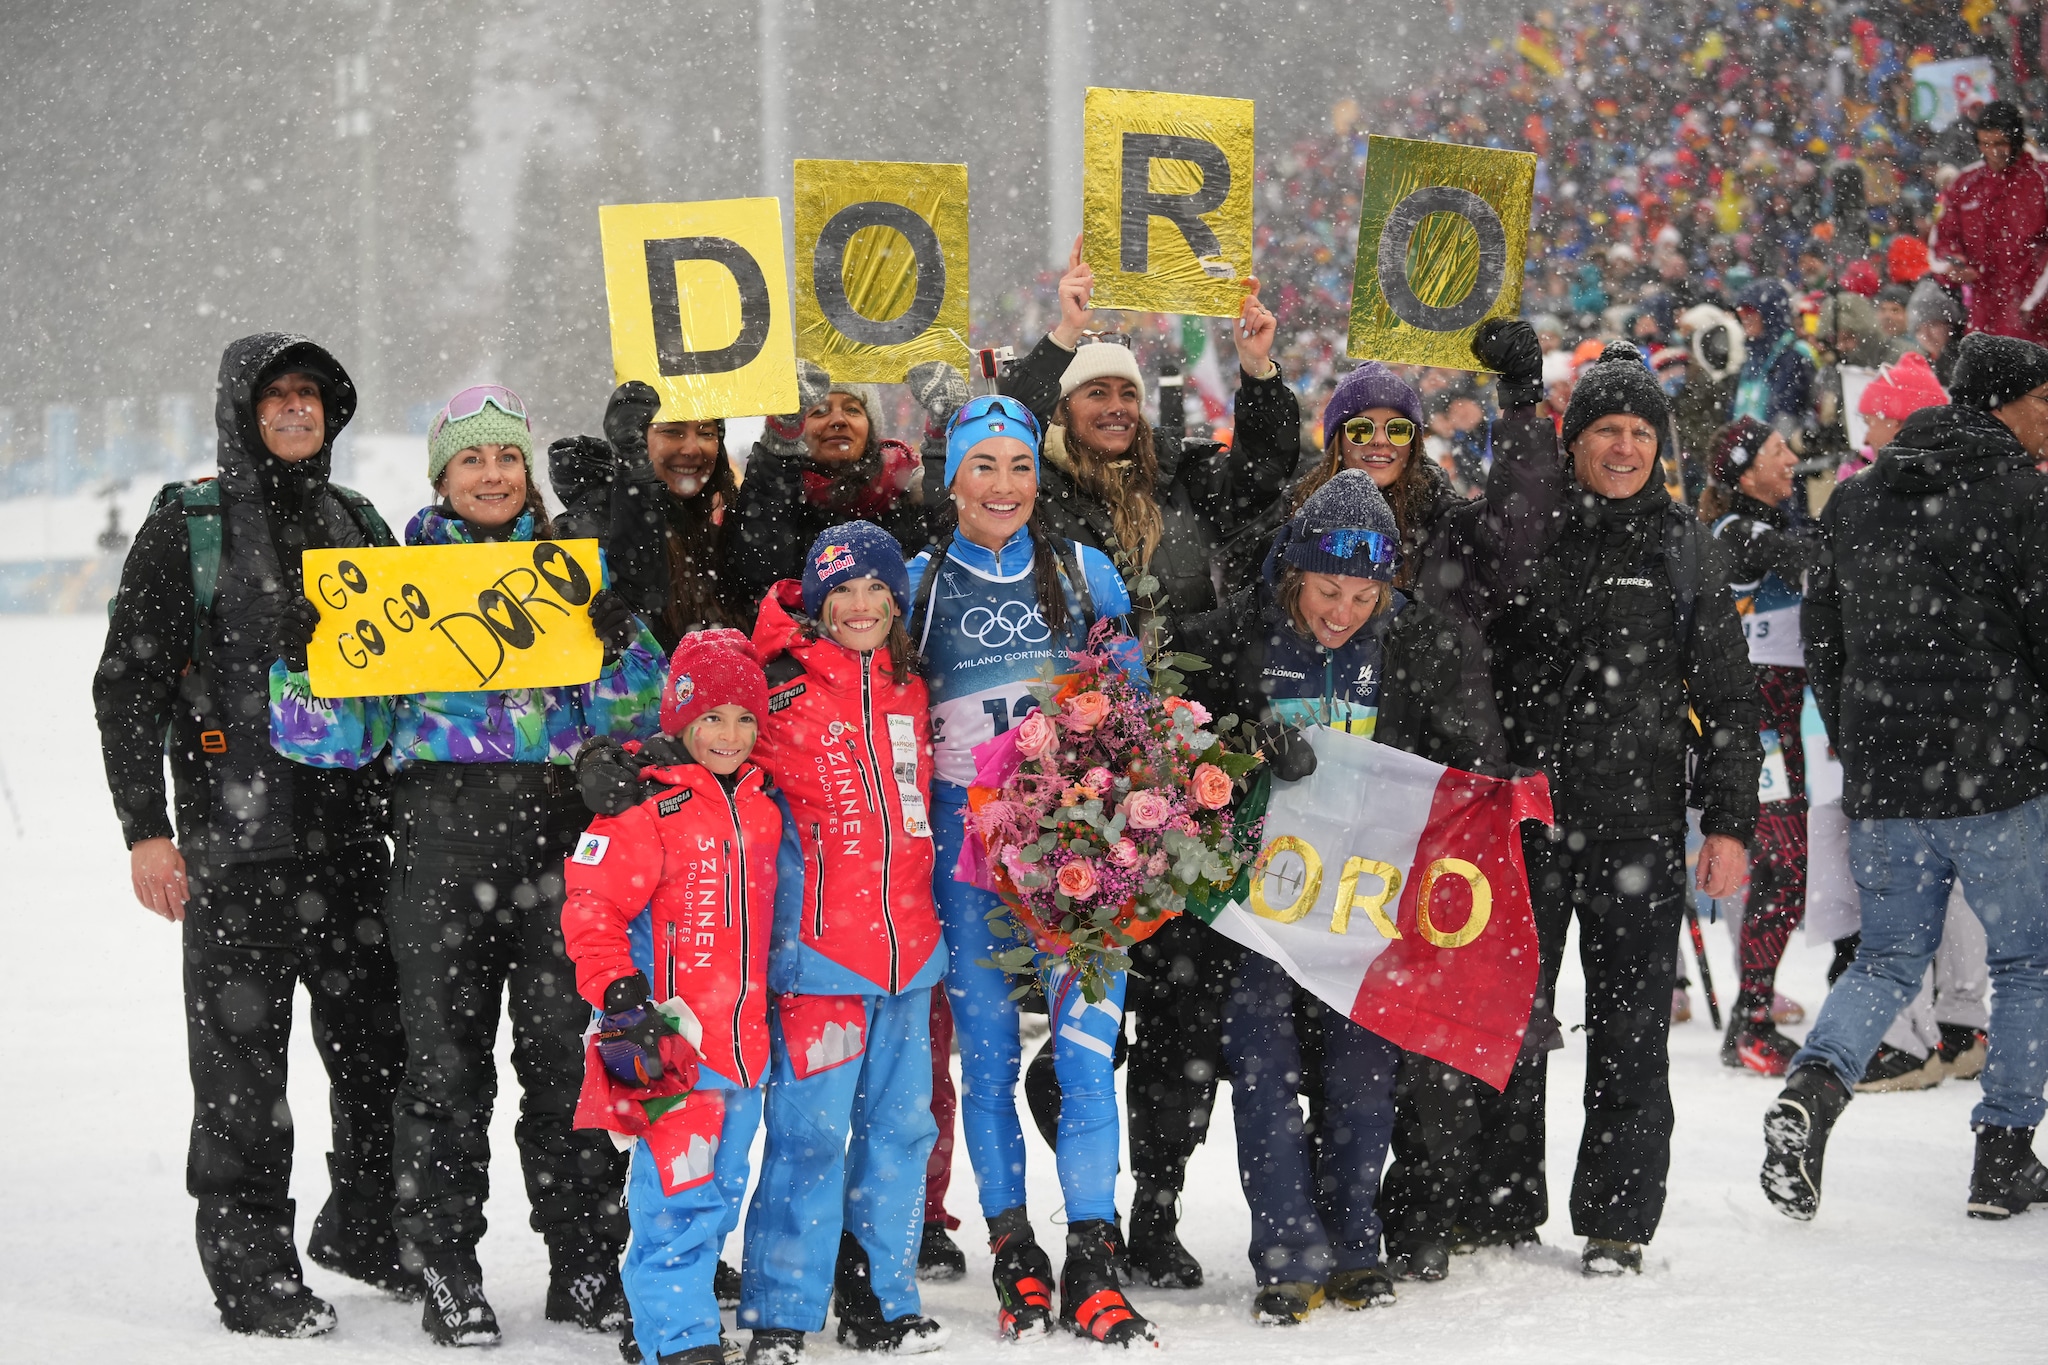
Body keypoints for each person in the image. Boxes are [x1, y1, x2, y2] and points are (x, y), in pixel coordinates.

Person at [268, 384, 665, 1346]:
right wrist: (304, 663)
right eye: (472, 460)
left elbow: (643, 714)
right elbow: (335, 741)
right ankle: (444, 1262)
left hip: (562, 845)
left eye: (507, 458)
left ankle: (582, 1261)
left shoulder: (569, 570)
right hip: (443, 845)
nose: (493, 475)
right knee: (443, 1070)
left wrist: (621, 636)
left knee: (565, 1065)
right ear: (442, 478)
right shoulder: (394, 586)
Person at [93, 334, 410, 1337]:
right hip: (237, 853)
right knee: (241, 1075)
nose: (293, 411)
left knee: (383, 1057)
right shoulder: (188, 526)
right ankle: (250, 1268)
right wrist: (147, 830)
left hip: (355, 842)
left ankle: (364, 1227)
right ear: (241, 410)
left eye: (308, 395)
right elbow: (128, 685)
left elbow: (421, 670)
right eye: (273, 395)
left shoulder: (357, 521)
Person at [1173, 470, 1492, 1324]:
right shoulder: (1236, 632)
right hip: (1258, 910)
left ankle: (1354, 1241)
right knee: (1262, 1071)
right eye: (1325, 591)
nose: (1341, 612)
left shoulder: (1419, 645)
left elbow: (1466, 758)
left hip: (1362, 903)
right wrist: (1240, 742)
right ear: (1293, 577)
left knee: (1364, 1071)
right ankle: (1286, 1249)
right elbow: (1174, 728)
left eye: (1361, 594)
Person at [1482, 340, 1762, 1274]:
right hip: (1528, 817)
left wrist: (1728, 824)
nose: (1627, 446)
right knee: (1511, 1017)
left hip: (1638, 823)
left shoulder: (1685, 546)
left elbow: (1728, 700)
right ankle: (1500, 1203)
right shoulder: (1535, 530)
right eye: (1608, 428)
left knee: (1633, 1025)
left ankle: (1616, 1218)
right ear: (1576, 440)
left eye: (1642, 431)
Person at [1761, 331, 2048, 1224]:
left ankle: (1812, 1090)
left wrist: (1859, 737)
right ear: (2002, 402)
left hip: (1888, 781)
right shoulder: (2023, 496)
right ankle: (2002, 1154)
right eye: (2043, 398)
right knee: (2029, 964)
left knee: (1886, 959)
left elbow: (1825, 641)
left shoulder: (1857, 501)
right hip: (2000, 777)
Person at [909, 395, 1157, 1346]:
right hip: (966, 853)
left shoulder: (1080, 569)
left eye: (1019, 465)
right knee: (988, 1062)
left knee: (1088, 1057)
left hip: (1074, 847)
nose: (1004, 485)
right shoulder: (922, 583)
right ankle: (1015, 1248)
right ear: (954, 479)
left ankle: (1093, 1249)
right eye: (985, 466)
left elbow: (1133, 699)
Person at [734, 522, 948, 1361]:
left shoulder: (913, 685)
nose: (861, 606)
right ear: (819, 603)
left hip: (910, 954)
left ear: (897, 602)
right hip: (820, 957)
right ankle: (783, 1310)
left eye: (877, 592)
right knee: (811, 1136)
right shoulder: (776, 687)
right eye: (843, 593)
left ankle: (879, 1298)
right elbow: (706, 749)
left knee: (901, 1133)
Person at [560, 630, 795, 1365]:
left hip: (744, 1040)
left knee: (720, 1190)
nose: (729, 735)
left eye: (745, 719)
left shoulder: (762, 805)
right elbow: (590, 904)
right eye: (712, 717)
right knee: (674, 1195)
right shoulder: (643, 804)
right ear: (680, 720)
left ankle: (661, 1314)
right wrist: (621, 996)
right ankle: (681, 1337)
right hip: (667, 1037)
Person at [996, 234, 1300, 621]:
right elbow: (1006, 424)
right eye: (1097, 393)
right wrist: (1066, 333)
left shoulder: (1177, 477)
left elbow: (1265, 471)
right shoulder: (1033, 487)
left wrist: (1258, 370)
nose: (1117, 407)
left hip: (1184, 682)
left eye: (1128, 394)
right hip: (1078, 682)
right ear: (1062, 410)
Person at [1697, 417, 1821, 1076]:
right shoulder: (1737, 530)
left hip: (1778, 723)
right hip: (1756, 728)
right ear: (1745, 472)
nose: (1792, 459)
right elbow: (1802, 559)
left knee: (1785, 877)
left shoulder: (1766, 524)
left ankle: (1754, 1009)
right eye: (1778, 451)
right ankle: (1750, 1021)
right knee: (1783, 873)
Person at [722, 364, 932, 615]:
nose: (838, 421)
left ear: (871, 429)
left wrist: (941, 442)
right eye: (820, 411)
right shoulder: (777, 489)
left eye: (852, 410)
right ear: (796, 428)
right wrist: (778, 452)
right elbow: (758, 573)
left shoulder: (908, 492)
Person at [553, 381, 741, 648]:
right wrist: (635, 474)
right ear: (637, 439)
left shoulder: (712, 521)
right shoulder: (587, 526)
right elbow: (640, 606)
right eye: (672, 431)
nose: (691, 448)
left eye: (706, 433)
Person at [1928, 102, 2048, 346]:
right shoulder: (1966, 184)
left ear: (2017, 140)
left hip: (2035, 324)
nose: (1992, 151)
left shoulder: (2042, 179)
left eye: (2000, 144)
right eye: (1985, 143)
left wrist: (2033, 306)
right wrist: (1954, 264)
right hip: (1983, 321)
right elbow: (1942, 239)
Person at [1733, 279, 1817, 442]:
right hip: (1750, 454)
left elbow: (1786, 416)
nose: (1744, 318)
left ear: (1769, 312)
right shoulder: (1751, 357)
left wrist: (1764, 454)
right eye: (1740, 312)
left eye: (1750, 311)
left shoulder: (1794, 356)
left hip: (1775, 455)